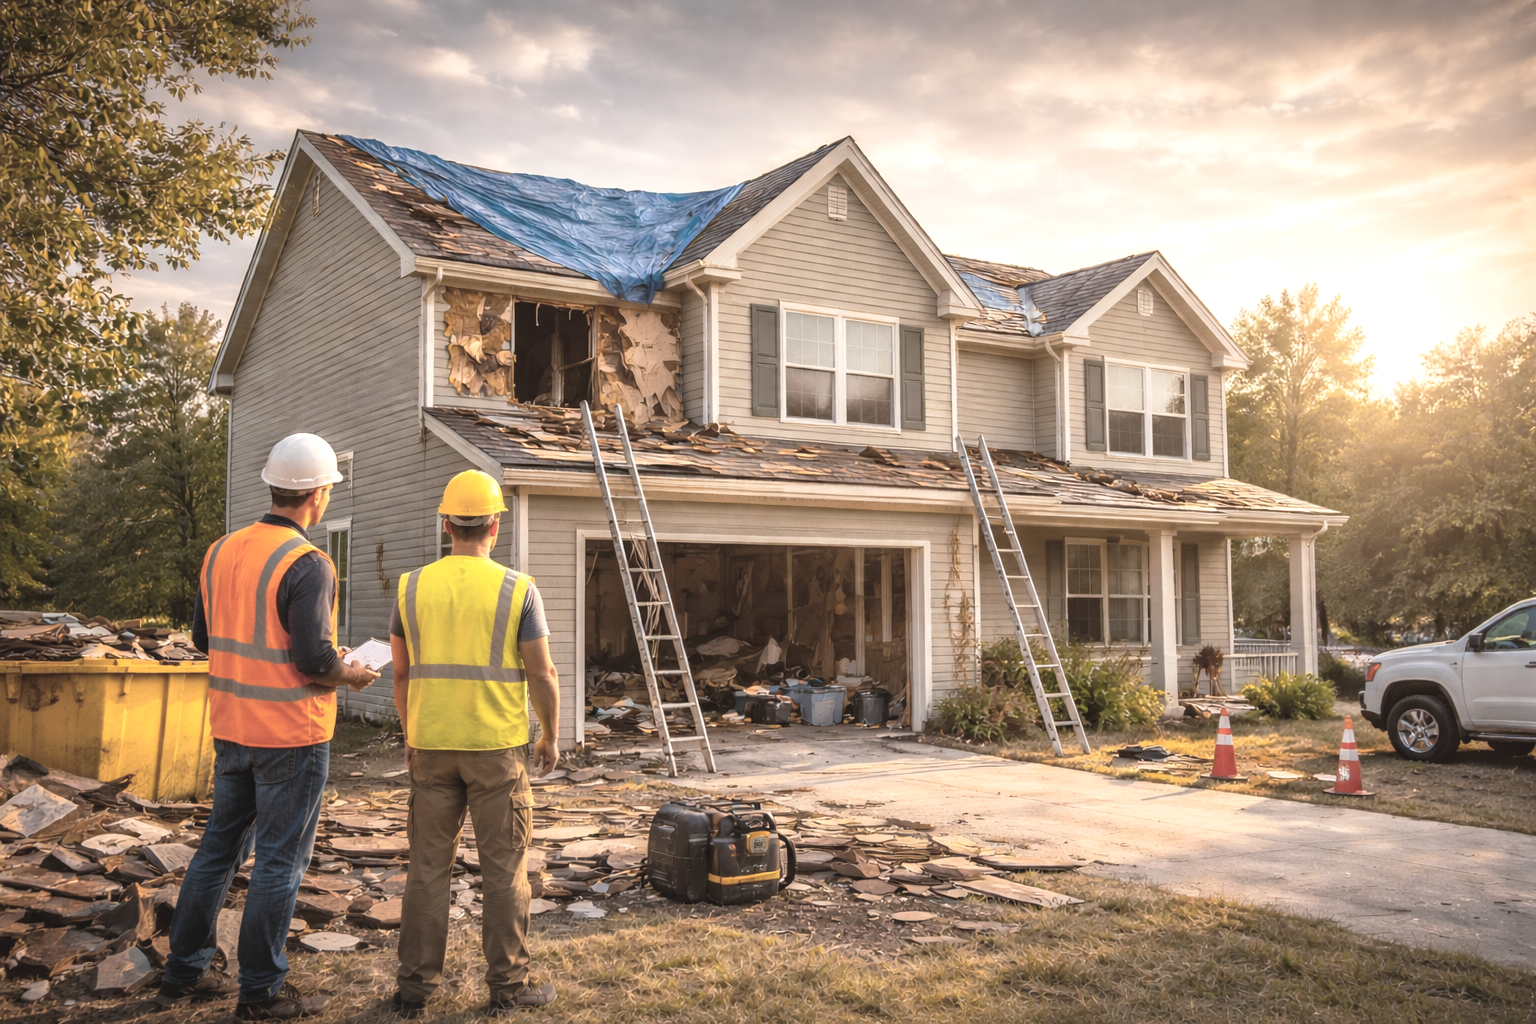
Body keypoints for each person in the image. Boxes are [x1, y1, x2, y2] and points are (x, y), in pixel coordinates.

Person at [157, 434, 381, 1020]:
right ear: (318, 493)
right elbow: (313, 661)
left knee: (217, 852)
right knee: (280, 861)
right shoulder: (308, 562)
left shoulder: (220, 551)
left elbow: (207, 639)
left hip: (232, 728)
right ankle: (260, 990)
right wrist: (352, 674)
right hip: (291, 735)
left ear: (275, 486)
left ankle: (183, 971)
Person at [389, 470, 561, 1017]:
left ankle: (415, 990)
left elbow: (400, 674)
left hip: (431, 745)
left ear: (446, 525)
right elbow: (543, 673)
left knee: (427, 870)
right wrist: (551, 735)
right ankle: (508, 989)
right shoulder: (518, 589)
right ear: (494, 526)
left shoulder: (410, 587)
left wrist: (411, 733)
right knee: (505, 870)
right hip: (497, 751)